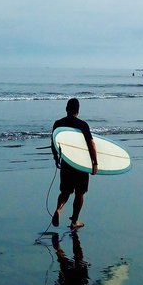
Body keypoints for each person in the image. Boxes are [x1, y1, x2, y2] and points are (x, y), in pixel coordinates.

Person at [51, 98, 98, 229]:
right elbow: (91, 144)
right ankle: (74, 221)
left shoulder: (58, 124)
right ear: (78, 110)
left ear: (66, 109)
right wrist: (95, 162)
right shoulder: (83, 125)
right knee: (80, 193)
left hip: (67, 163)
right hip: (80, 163)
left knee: (65, 192)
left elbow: (54, 143)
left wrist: (56, 158)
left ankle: (59, 209)